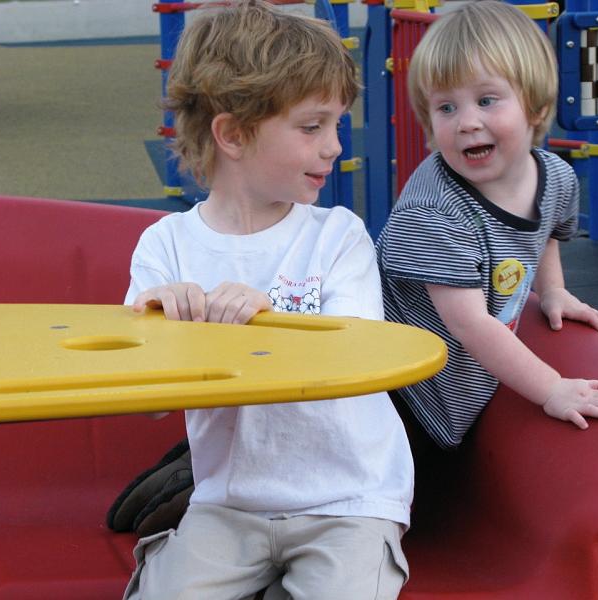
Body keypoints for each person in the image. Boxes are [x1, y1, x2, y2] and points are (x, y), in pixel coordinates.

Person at [121, 2, 412, 599]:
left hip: (348, 497)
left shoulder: (338, 237)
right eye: (312, 127)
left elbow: (356, 363)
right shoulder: (166, 246)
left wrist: (265, 324)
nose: (334, 147)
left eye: (337, 125)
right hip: (230, 503)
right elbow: (145, 404)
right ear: (232, 134)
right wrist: (164, 334)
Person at [375, 0, 598, 457]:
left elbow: (545, 231)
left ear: (535, 106)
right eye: (446, 107)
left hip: (464, 371)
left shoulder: (555, 177)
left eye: (486, 100)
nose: (467, 122)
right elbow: (470, 324)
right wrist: (551, 387)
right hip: (406, 391)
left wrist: (554, 290)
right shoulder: (434, 214)